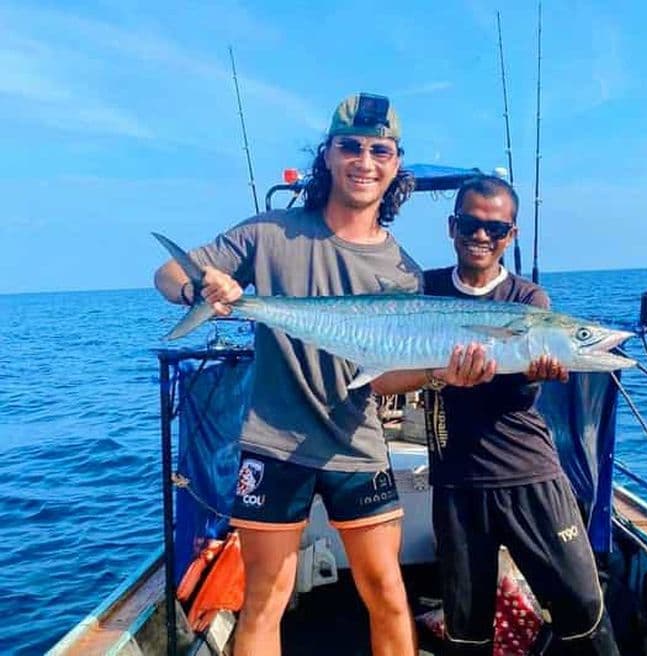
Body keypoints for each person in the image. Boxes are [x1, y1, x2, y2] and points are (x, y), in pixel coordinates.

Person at [154, 93, 492, 656]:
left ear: (394, 164)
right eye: (351, 147)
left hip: (356, 443)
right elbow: (166, 275)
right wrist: (199, 289)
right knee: (266, 597)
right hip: (274, 441)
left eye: (379, 150)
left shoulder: (403, 270)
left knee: (387, 592)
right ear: (329, 156)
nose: (365, 160)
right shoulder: (269, 233)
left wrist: (439, 373)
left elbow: (382, 380)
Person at [422, 175, 621, 656]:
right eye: (470, 223)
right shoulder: (423, 288)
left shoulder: (528, 300)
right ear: (452, 227)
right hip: (456, 482)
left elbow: (518, 389)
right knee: (466, 627)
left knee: (581, 604)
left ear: (510, 236)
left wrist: (538, 373)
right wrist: (438, 375)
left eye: (496, 228)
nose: (481, 236)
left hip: (527, 472)